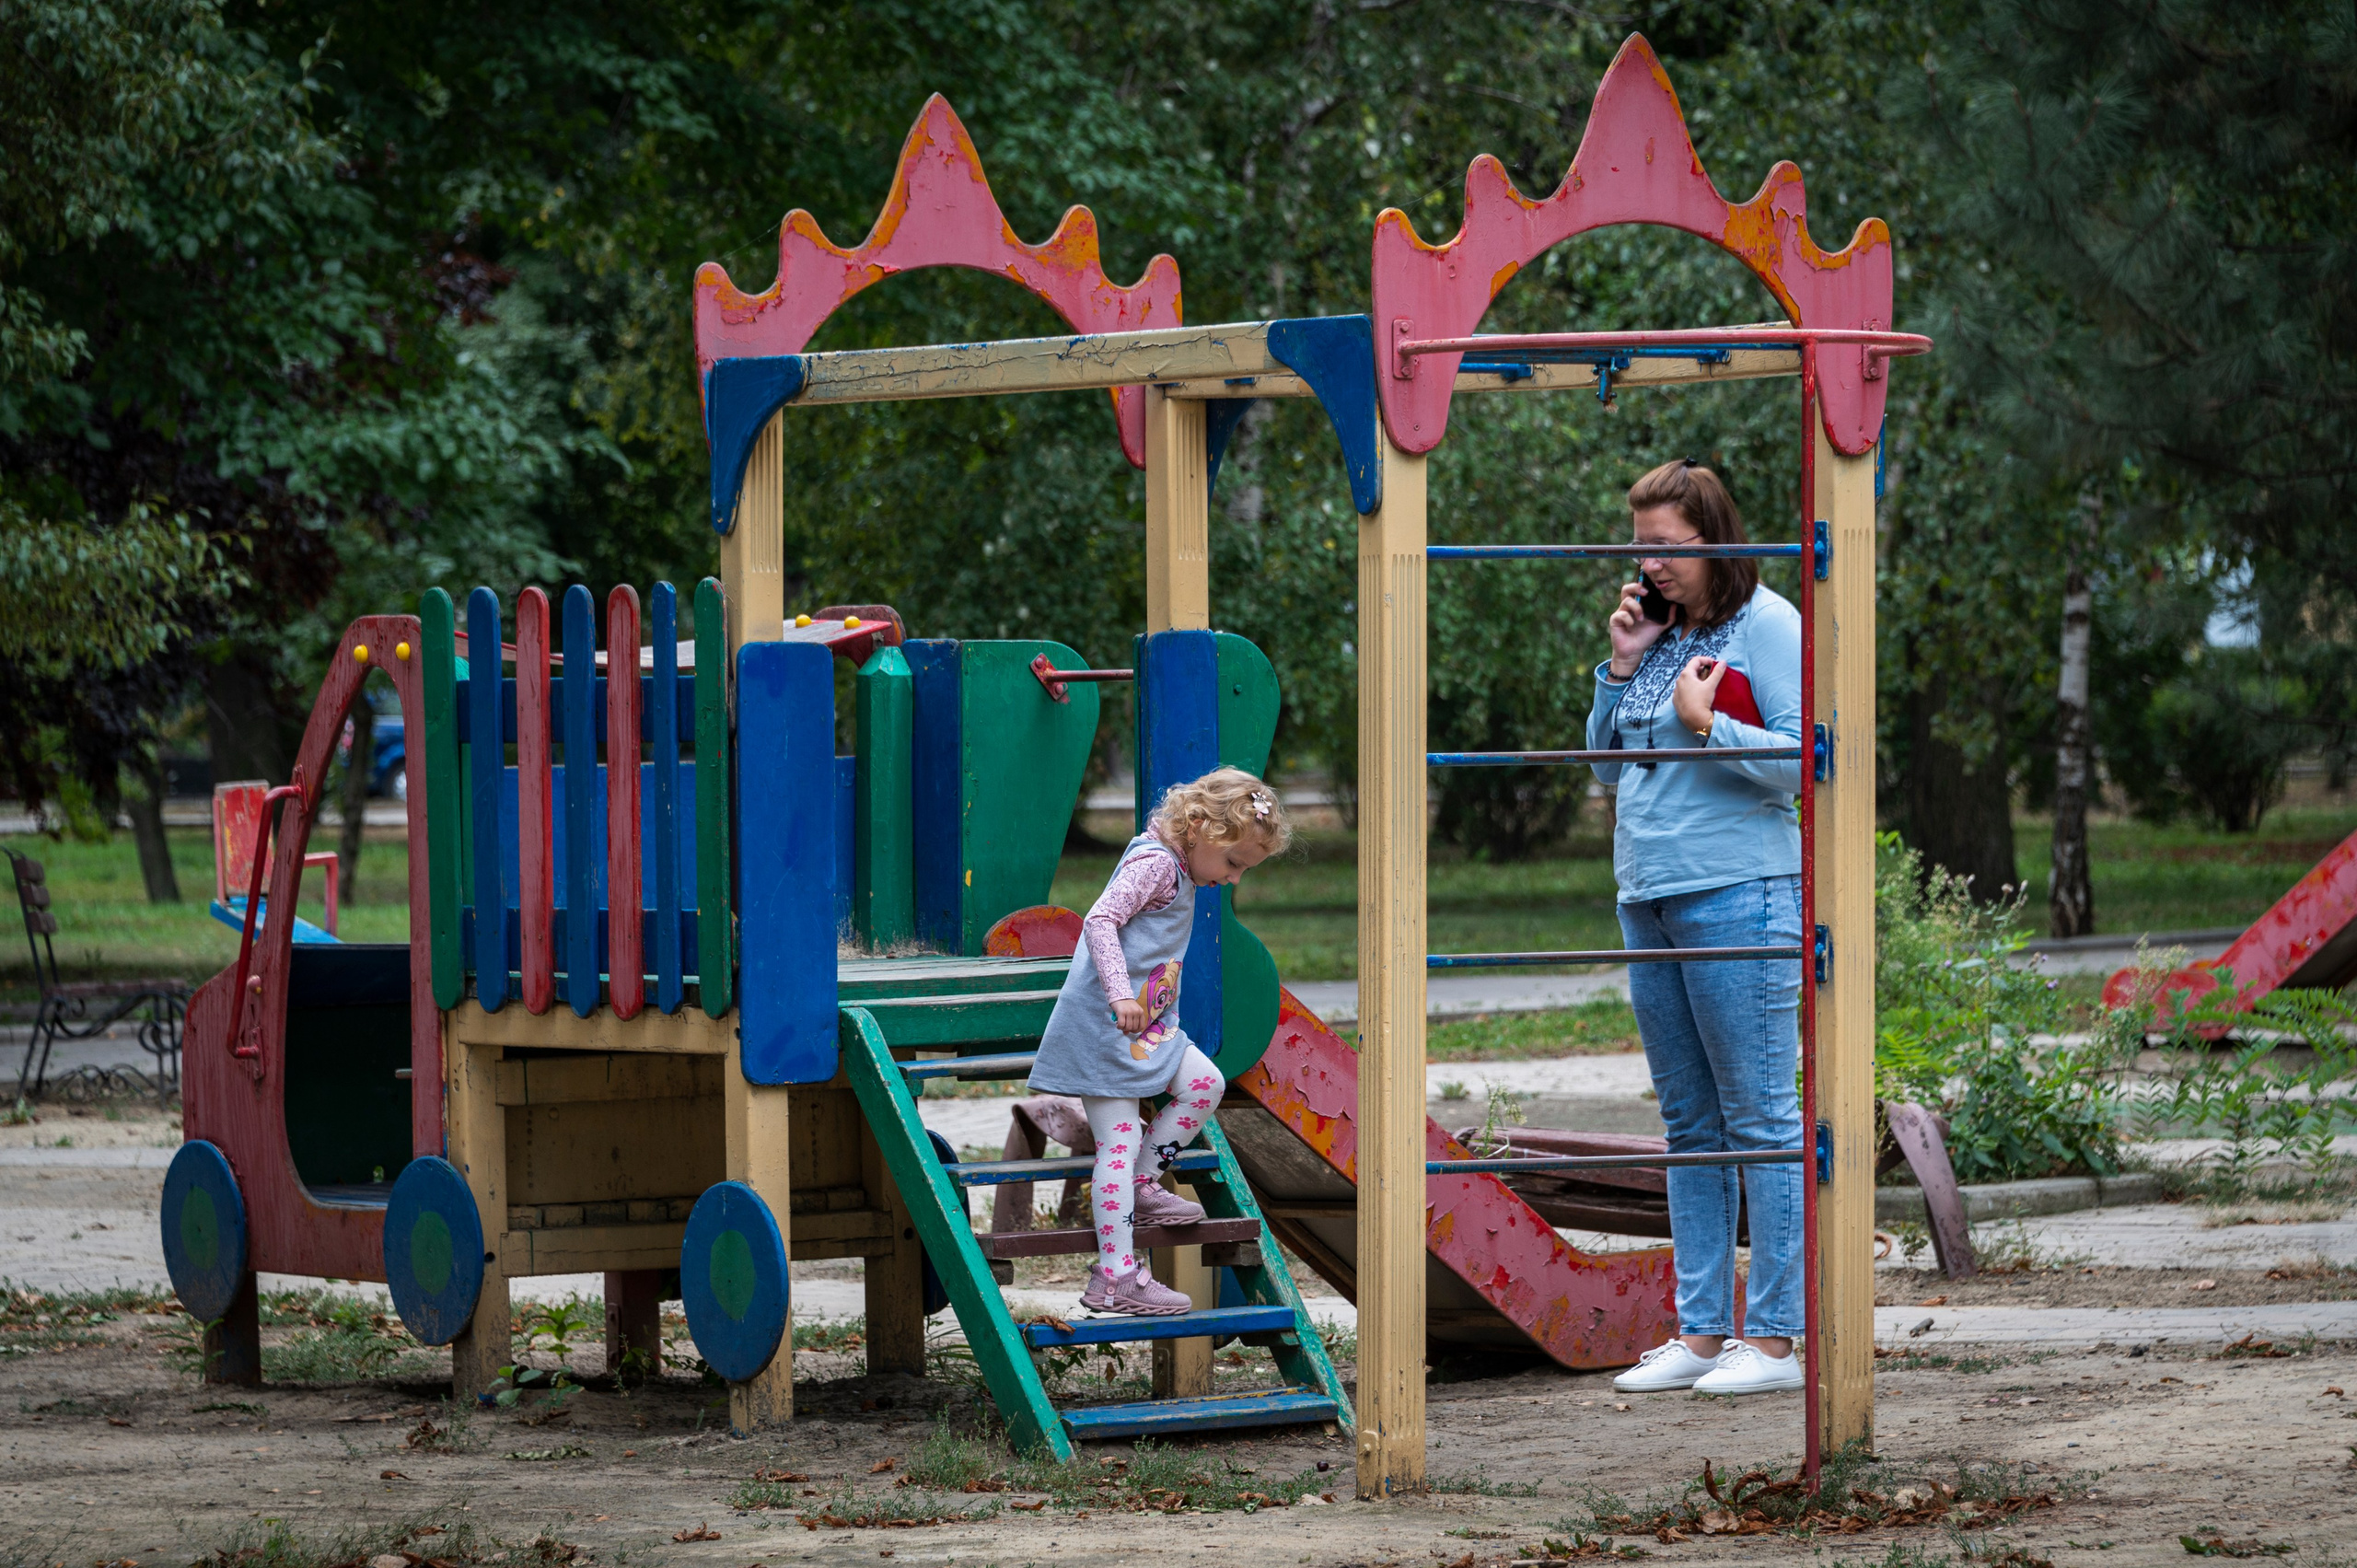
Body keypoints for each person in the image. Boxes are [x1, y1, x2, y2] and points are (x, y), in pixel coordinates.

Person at [1587, 458, 1807, 1398]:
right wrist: (1622, 666)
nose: (1651, 564)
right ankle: (1702, 1329)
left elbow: (1805, 761)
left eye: (1667, 547)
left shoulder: (1771, 624)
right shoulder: (1660, 631)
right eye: (1640, 546)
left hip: (1737, 887)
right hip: (1649, 890)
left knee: (1758, 1117)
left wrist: (1709, 726)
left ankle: (1779, 1335)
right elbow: (1605, 768)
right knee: (1689, 1124)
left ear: (1713, 538)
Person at [1027, 766, 1293, 1315]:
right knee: (1117, 1146)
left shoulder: (1183, 867)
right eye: (1234, 863)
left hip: (1147, 1029)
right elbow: (1100, 921)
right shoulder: (1155, 865)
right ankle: (1116, 1276)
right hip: (1107, 1028)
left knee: (1204, 1083)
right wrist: (1121, 994)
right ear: (1199, 827)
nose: (1235, 878)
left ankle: (1145, 1187)